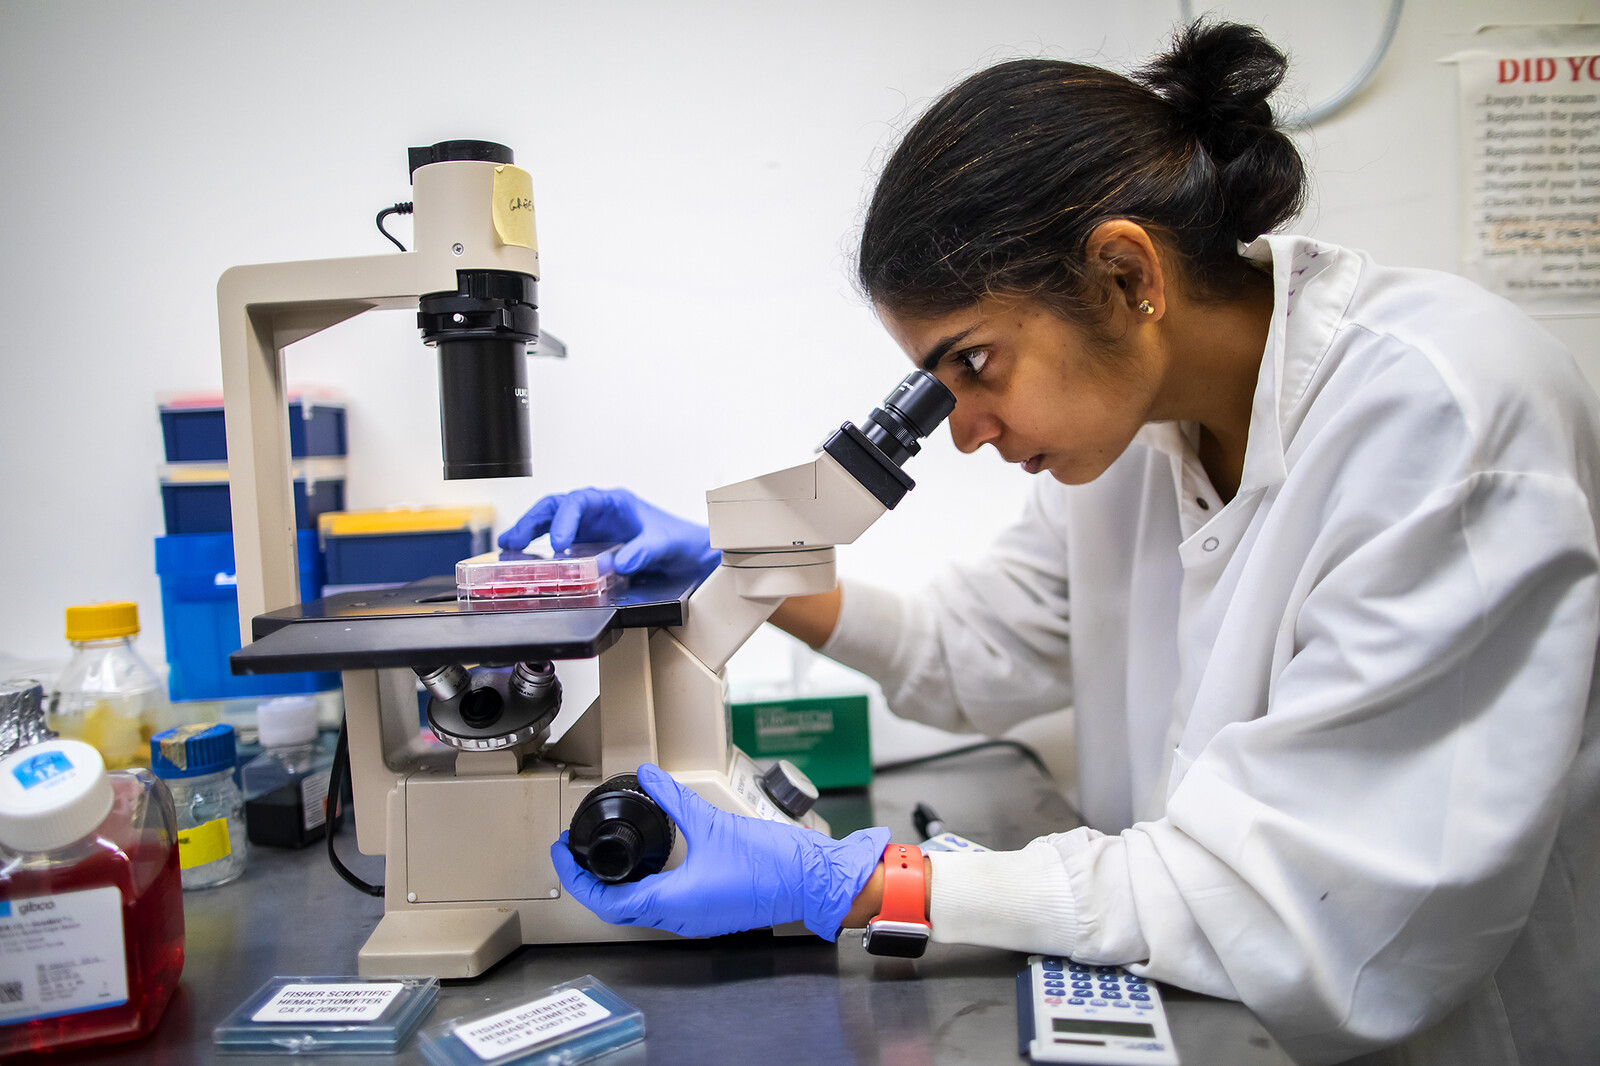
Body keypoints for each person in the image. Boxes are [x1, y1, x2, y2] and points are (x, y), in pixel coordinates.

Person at [512, 21, 1600, 1066]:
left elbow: (1295, 903)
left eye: (974, 365)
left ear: (1127, 278)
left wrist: (855, 882)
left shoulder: (1441, 416)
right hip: (1207, 999)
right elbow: (979, 647)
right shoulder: (1136, 435)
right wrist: (741, 572)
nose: (968, 432)